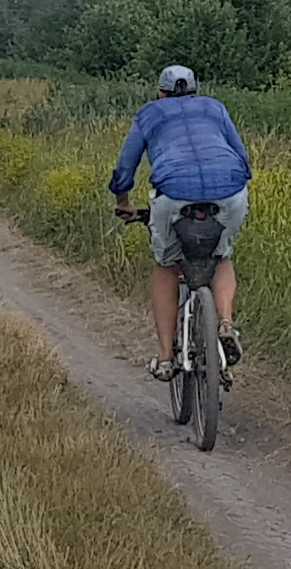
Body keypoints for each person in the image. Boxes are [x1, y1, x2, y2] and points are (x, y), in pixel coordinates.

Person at [106, 64, 249, 381]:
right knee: (222, 257)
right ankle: (226, 323)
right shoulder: (214, 107)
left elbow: (125, 166)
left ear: (160, 93)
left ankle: (166, 358)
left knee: (167, 266)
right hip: (229, 188)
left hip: (173, 192)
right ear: (196, 91)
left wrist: (123, 202)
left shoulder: (149, 113)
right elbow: (242, 156)